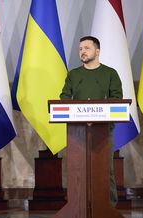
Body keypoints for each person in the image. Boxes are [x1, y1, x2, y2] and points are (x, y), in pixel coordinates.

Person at [60, 36, 122, 206]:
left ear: (97, 51)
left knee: (104, 170)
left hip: (103, 131)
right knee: (78, 170)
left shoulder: (110, 73)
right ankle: (78, 206)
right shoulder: (74, 74)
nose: (82, 52)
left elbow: (117, 100)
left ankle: (109, 207)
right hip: (77, 132)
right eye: (80, 49)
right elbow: (64, 98)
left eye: (87, 48)